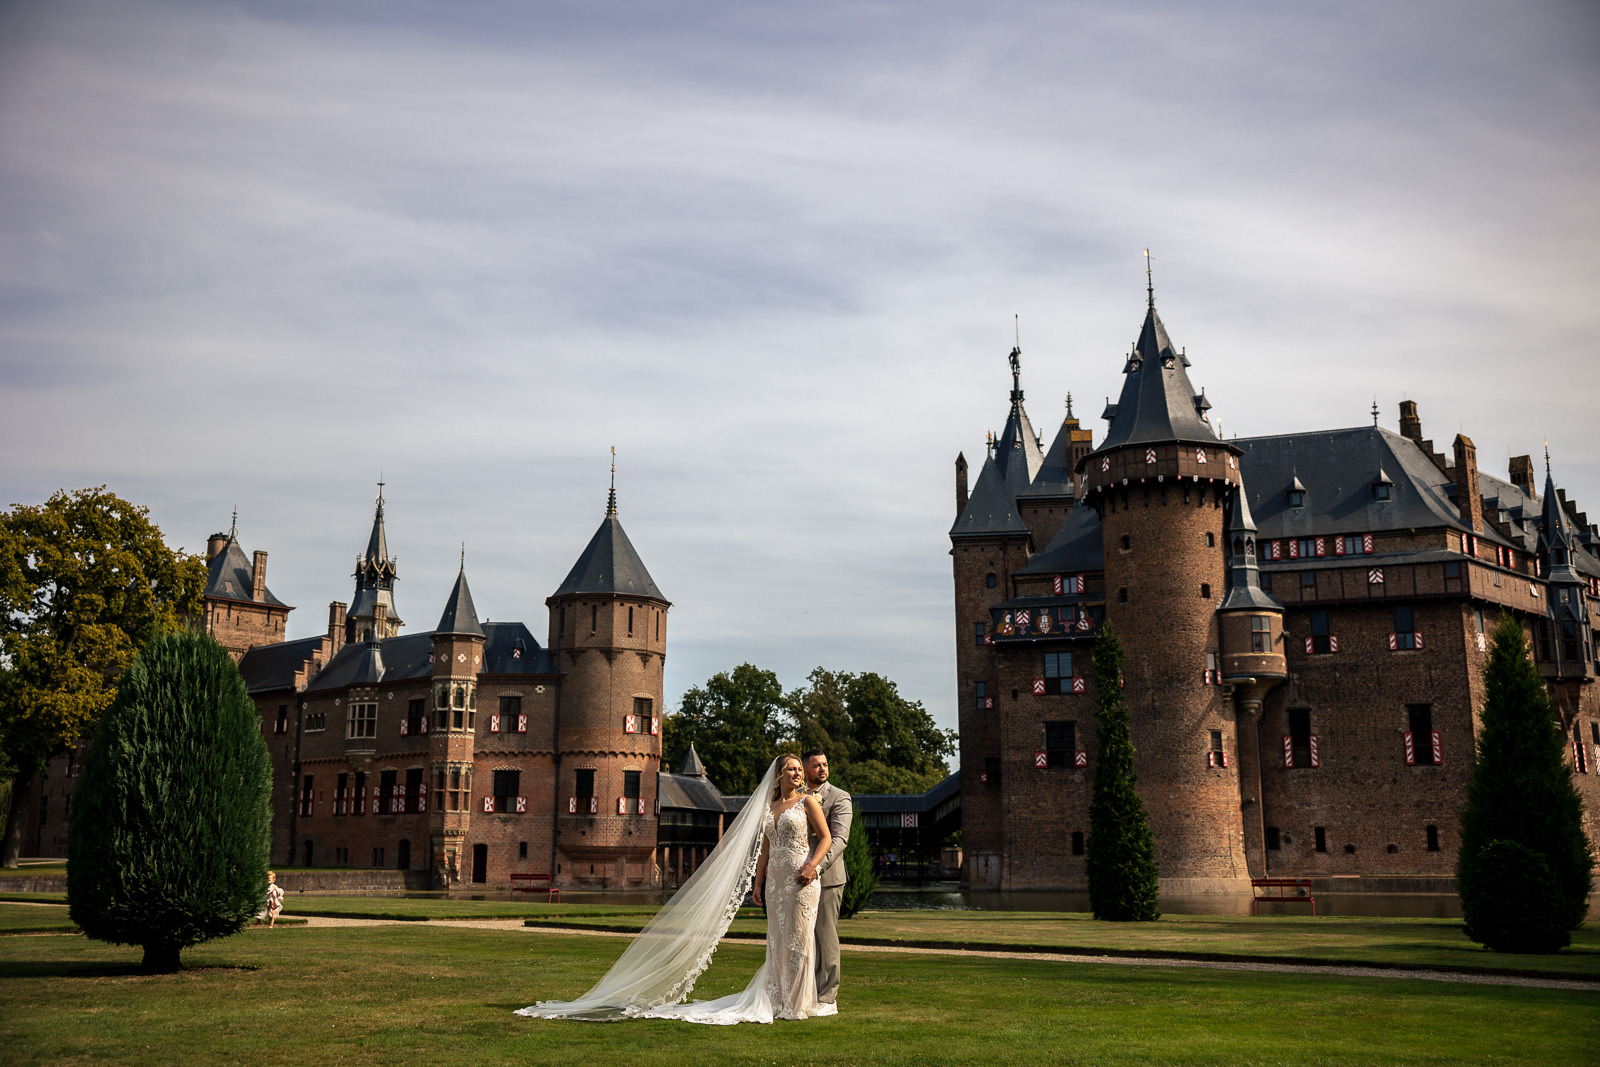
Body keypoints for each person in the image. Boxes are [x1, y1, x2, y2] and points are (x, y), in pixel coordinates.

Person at [516, 755, 832, 1024]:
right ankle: (780, 1001)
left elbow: (826, 838)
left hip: (801, 879)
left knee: (799, 940)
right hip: (776, 882)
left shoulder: (808, 802)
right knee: (777, 942)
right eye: (791, 768)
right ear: (779, 775)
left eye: (798, 769)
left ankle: (799, 1004)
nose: (798, 773)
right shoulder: (772, 806)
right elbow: (764, 848)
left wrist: (812, 866)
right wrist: (758, 882)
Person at [802, 749, 852, 1016]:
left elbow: (840, 840)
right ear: (805, 768)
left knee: (825, 936)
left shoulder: (840, 797)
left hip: (828, 878)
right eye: (816, 765)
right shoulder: (795, 795)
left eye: (825, 764)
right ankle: (804, 990)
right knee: (801, 936)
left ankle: (828, 997)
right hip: (797, 875)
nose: (822, 769)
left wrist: (816, 867)